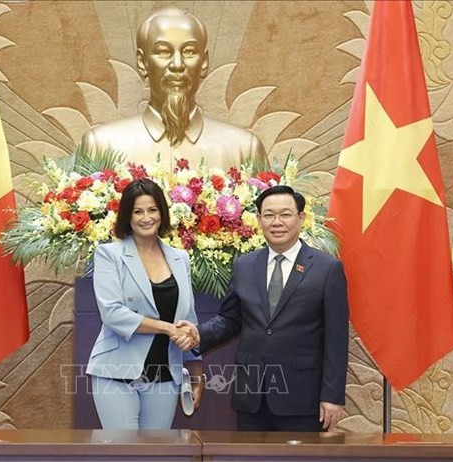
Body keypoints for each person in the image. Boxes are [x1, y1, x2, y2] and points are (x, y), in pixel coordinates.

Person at [179, 185, 349, 432]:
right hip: (252, 396)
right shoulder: (245, 265)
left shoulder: (326, 268)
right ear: (259, 219)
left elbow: (336, 338)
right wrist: (199, 334)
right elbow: (230, 319)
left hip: (303, 397)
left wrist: (332, 396)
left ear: (301, 218)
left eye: (285, 214)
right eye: (269, 215)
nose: (277, 222)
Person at [79, 7, 267, 171]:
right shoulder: (101, 146)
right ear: (142, 63)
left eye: (189, 51)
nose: (177, 64)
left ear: (204, 62)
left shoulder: (244, 149)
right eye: (163, 52)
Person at [86, 178, 203, 430]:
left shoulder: (180, 258)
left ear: (162, 213)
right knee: (124, 452)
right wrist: (167, 328)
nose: (146, 217)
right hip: (116, 371)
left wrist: (195, 370)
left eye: (152, 210)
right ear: (127, 216)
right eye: (137, 211)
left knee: (157, 453)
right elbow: (113, 314)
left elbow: (188, 318)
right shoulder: (109, 254)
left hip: (166, 372)